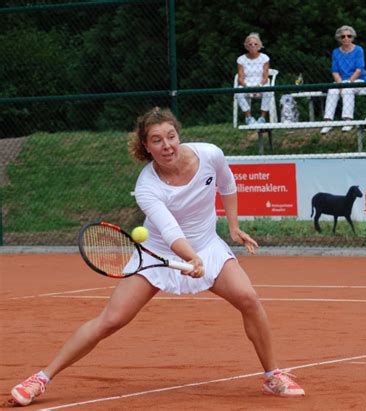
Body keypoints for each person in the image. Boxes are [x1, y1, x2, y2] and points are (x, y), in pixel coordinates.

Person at [10, 107, 305, 407]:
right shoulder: (147, 186)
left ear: (179, 135)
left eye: (171, 137)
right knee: (112, 320)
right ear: (146, 147)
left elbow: (227, 184)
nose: (167, 146)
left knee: (249, 299)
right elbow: (171, 231)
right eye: (157, 140)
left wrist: (233, 227)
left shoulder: (210, 155)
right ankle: (41, 378)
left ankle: (273, 375)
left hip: (208, 247)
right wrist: (190, 258)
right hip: (157, 253)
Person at [321, 25, 366, 134]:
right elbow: (335, 71)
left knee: (347, 90)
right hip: (341, 81)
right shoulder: (336, 52)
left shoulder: (358, 50)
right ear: (339, 38)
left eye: (349, 36)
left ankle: (348, 120)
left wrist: (348, 83)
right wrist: (341, 84)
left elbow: (359, 70)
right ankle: (328, 121)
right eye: (343, 36)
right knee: (332, 90)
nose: (346, 38)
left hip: (358, 80)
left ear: (352, 37)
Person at [236, 32, 273, 125]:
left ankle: (262, 118)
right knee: (238, 93)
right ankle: (249, 118)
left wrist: (258, 87)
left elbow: (265, 77)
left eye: (255, 44)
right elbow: (240, 78)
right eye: (250, 44)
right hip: (246, 85)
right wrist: (248, 88)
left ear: (259, 45)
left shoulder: (265, 58)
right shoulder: (241, 59)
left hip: (261, 84)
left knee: (268, 92)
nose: (253, 46)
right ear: (246, 46)